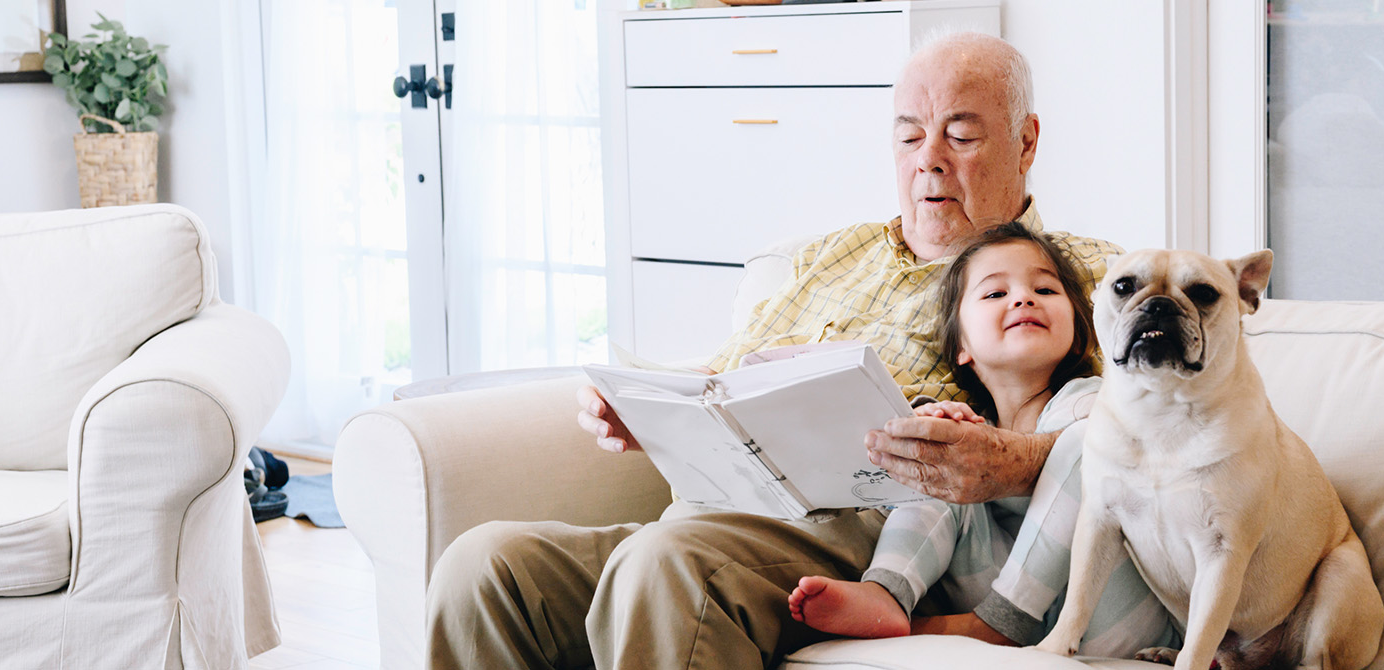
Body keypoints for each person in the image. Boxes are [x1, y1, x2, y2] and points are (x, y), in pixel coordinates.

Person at [427, 33, 1125, 670]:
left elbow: (1141, 435)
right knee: (483, 568)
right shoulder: (830, 255)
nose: (929, 160)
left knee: (666, 565)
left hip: (865, 533)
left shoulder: (1077, 277)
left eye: (962, 135)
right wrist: (648, 410)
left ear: (1026, 143)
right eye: (909, 136)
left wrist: (1013, 461)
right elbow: (719, 377)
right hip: (711, 514)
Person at [787, 223, 1178, 656]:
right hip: (1021, 603)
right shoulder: (973, 428)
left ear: (1077, 332)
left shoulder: (1087, 398)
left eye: (1045, 290)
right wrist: (937, 427)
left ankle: (1000, 622)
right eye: (995, 294)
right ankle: (887, 592)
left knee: (1094, 439)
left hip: (1117, 615)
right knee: (938, 465)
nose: (1023, 298)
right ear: (961, 346)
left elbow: (1109, 440)